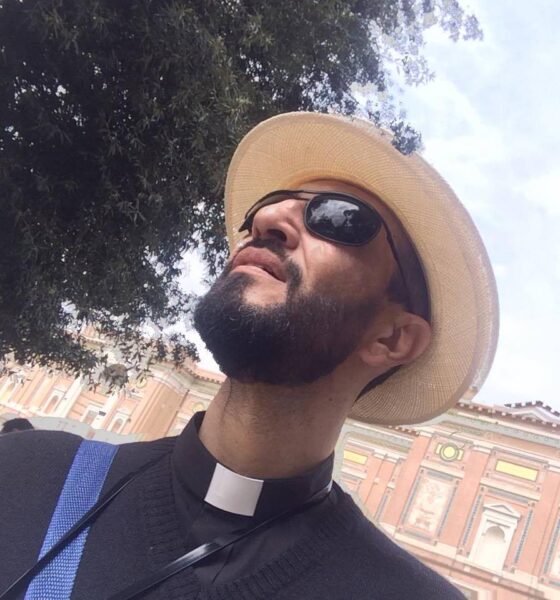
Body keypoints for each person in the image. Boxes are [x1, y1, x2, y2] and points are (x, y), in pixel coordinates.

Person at [0, 113, 498, 599]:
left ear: (392, 338)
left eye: (337, 217)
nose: (267, 219)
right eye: (270, 203)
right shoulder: (24, 474)